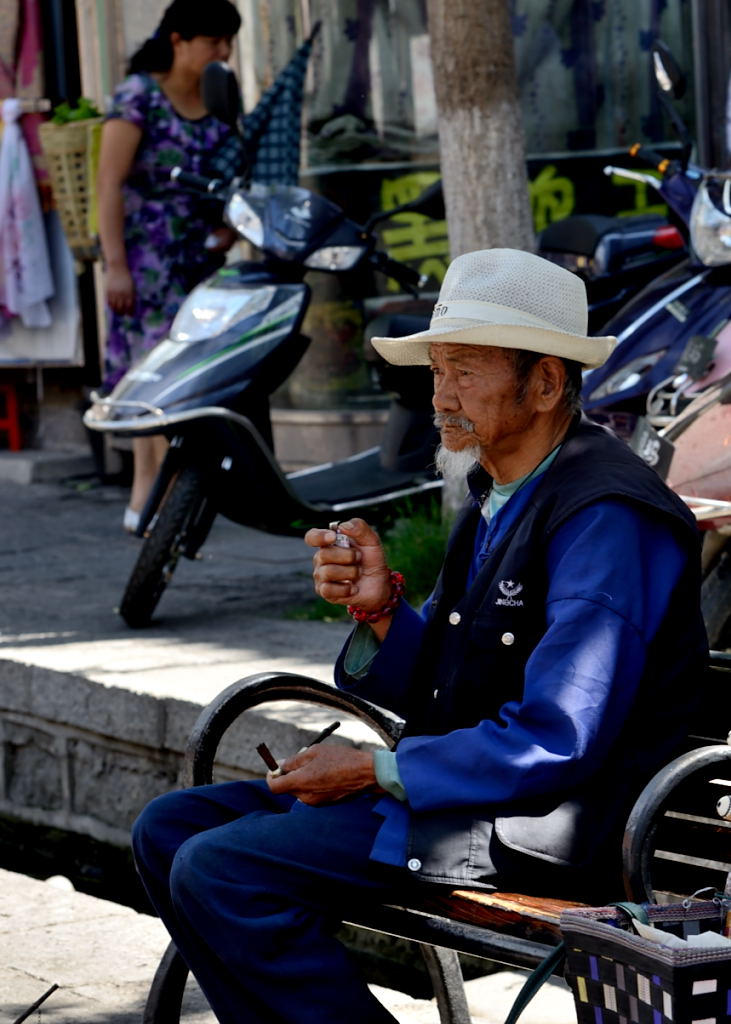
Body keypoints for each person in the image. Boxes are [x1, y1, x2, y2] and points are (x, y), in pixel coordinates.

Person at [132, 248, 708, 1024]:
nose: (440, 395)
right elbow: (446, 679)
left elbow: (556, 736)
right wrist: (379, 616)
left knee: (220, 870)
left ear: (543, 383)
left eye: (465, 370)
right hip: (466, 798)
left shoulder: (606, 515)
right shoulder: (497, 493)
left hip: (543, 825)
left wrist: (373, 768)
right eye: (437, 371)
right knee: (169, 830)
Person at [96, 0, 242, 533]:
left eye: (228, 42)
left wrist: (231, 228)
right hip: (146, 264)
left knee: (195, 380)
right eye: (213, 41)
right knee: (155, 379)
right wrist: (115, 267)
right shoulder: (139, 97)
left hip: (202, 262)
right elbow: (108, 182)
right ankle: (148, 496)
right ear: (178, 39)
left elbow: (234, 173)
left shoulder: (220, 95)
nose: (223, 52)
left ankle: (169, 500)